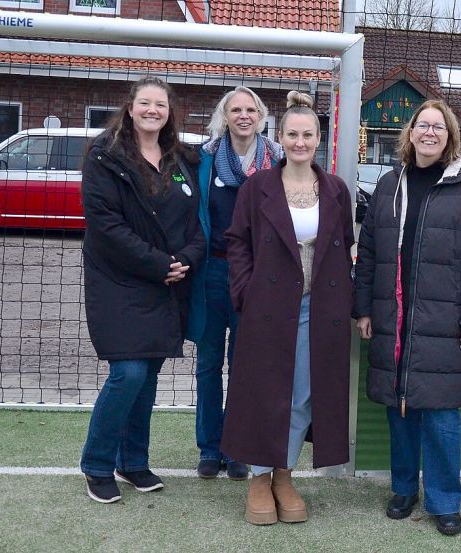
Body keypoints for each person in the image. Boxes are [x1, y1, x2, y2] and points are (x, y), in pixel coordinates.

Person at [353, 99, 461, 536]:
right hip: (392, 315)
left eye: (439, 127)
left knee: (440, 415)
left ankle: (444, 500)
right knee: (400, 408)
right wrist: (363, 307)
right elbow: (370, 253)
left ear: (449, 137)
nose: (430, 133)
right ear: (411, 132)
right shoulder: (388, 184)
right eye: (423, 125)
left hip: (446, 320)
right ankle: (403, 489)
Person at [219, 91, 354, 526]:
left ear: (319, 139)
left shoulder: (335, 189)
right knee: (266, 390)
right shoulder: (258, 187)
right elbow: (236, 241)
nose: (300, 142)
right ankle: (259, 477)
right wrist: (245, 289)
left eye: (308, 135)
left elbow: (345, 246)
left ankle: (284, 472)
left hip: (321, 307)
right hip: (268, 306)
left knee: (304, 394)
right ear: (280, 137)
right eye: (292, 134)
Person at [79, 76, 203, 503]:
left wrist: (187, 258)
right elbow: (106, 226)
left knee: (148, 375)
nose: (153, 110)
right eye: (145, 103)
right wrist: (158, 264)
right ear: (130, 107)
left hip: (166, 281)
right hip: (119, 279)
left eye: (161, 105)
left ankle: (132, 461)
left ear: (169, 113)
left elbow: (194, 223)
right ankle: (97, 464)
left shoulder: (181, 158)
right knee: (128, 372)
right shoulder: (104, 156)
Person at [186, 86, 282, 481]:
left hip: (255, 276)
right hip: (212, 272)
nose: (243, 116)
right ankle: (210, 448)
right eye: (235, 110)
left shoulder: (276, 159)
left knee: (244, 366)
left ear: (260, 116)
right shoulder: (203, 159)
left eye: (250, 109)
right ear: (224, 116)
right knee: (208, 364)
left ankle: (237, 447)